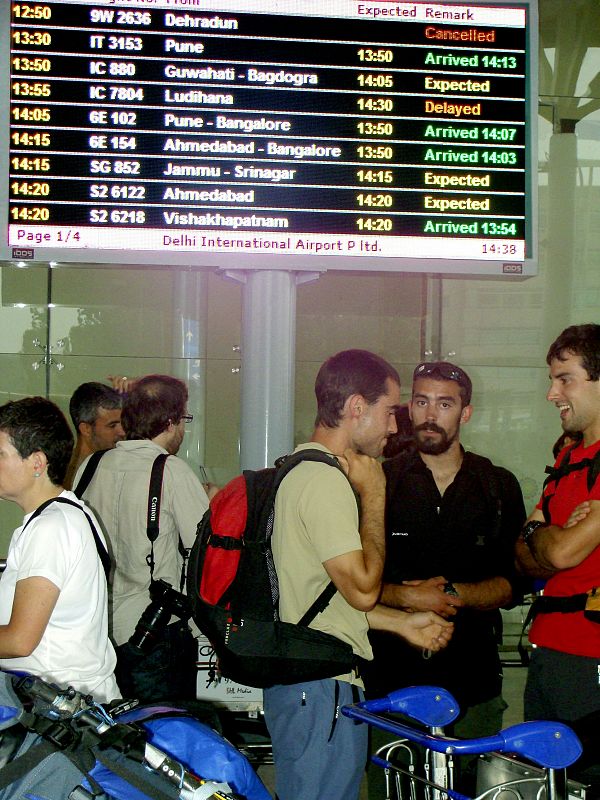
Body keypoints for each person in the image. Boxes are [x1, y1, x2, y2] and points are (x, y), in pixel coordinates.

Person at [262, 349, 453, 800]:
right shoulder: (323, 480)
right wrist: (375, 493)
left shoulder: (298, 468)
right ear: (355, 408)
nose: (394, 426)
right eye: (389, 411)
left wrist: (403, 623)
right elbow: (364, 590)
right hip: (319, 690)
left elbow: (326, 600)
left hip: (309, 686)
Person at [366, 361, 526, 753]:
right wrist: (407, 598)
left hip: (474, 683)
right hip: (390, 685)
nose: (430, 415)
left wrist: (452, 594)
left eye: (445, 404)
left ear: (465, 413)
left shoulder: (497, 486)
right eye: (421, 402)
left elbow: (514, 584)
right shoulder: (379, 482)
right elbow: (352, 581)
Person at [75, 374, 209, 702]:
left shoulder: (91, 466)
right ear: (170, 422)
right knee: (163, 741)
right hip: (157, 636)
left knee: (112, 740)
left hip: (97, 633)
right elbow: (205, 554)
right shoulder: (172, 471)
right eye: (183, 419)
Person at [0, 397, 119, 702]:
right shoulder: (68, 513)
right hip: (63, 706)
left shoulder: (50, 528)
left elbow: (20, 640)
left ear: (37, 463)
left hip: (59, 717)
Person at [515, 324, 600, 725]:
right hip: (548, 649)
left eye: (565, 379)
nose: (552, 394)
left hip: (591, 656)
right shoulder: (567, 459)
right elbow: (523, 557)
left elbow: (560, 553)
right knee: (546, 781)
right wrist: (543, 536)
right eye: (552, 381)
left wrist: (541, 534)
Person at [64, 381, 124, 489]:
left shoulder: (119, 462)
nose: (122, 432)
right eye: (112, 425)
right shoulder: (65, 476)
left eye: (122, 423)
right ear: (86, 429)